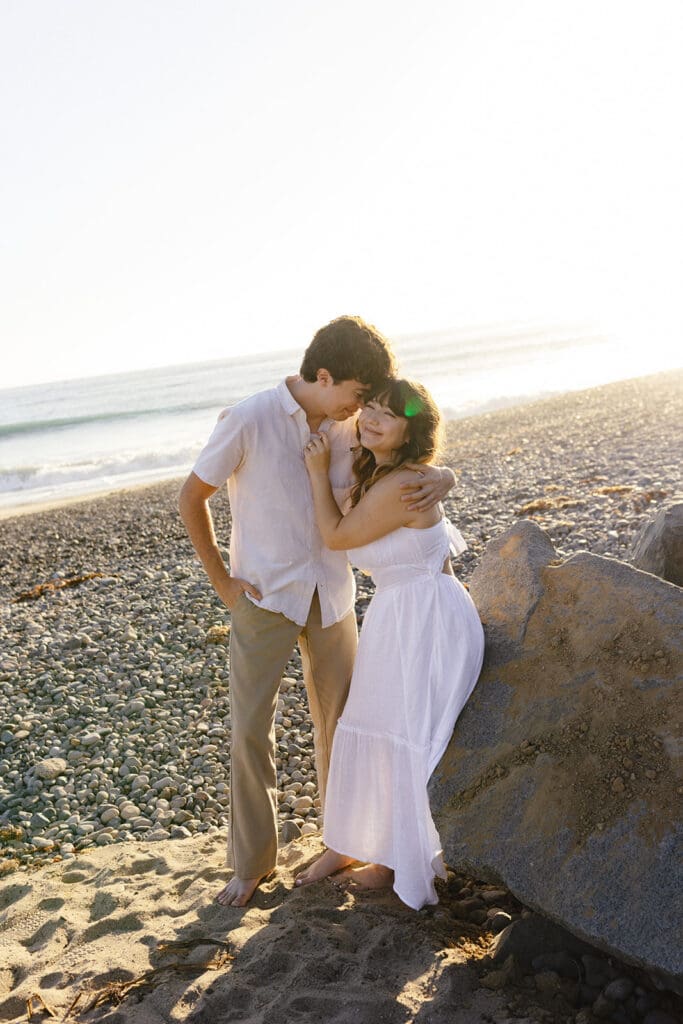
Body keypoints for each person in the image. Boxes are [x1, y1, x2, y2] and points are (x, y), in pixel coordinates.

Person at [178, 316, 457, 907]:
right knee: (251, 728)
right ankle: (252, 862)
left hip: (332, 595)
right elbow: (191, 497)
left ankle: (348, 841)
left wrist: (441, 475)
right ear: (325, 377)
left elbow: (404, 448)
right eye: (359, 395)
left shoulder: (348, 423)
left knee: (345, 726)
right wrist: (224, 583)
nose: (364, 409)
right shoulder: (248, 418)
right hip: (265, 595)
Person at [295, 377, 485, 910]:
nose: (373, 418)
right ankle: (347, 845)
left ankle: (394, 858)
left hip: (426, 618)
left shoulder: (404, 484)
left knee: (402, 733)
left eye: (388, 414)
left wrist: (313, 472)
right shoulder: (382, 475)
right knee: (370, 724)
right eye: (370, 408)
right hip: (401, 613)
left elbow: (335, 536)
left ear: (411, 431)